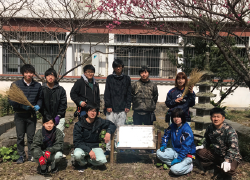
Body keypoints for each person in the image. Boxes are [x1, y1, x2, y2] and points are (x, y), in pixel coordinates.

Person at [8, 64, 42, 164]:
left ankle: (31, 155)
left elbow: (40, 98)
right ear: (23, 73)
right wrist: (21, 106)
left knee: (31, 137)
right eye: (26, 72)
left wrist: (38, 105)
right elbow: (11, 100)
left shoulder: (37, 85)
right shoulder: (16, 85)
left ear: (33, 74)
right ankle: (21, 156)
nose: (29, 74)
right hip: (19, 115)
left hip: (31, 115)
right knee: (20, 137)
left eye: (31, 72)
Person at [196, 108, 242, 179]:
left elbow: (234, 148)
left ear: (223, 118)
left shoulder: (229, 130)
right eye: (214, 116)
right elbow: (207, 139)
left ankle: (223, 171)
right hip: (217, 154)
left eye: (218, 117)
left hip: (231, 156)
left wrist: (227, 160)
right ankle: (216, 165)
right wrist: (203, 145)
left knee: (229, 169)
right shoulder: (210, 128)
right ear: (211, 118)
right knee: (199, 152)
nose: (216, 119)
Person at [72, 103, 116, 170]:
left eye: (94, 111)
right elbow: (77, 141)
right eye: (90, 111)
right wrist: (89, 151)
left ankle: (89, 160)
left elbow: (112, 125)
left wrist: (108, 132)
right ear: (86, 112)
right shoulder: (79, 124)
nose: (93, 113)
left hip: (94, 146)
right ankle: (82, 163)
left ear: (97, 112)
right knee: (77, 155)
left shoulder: (99, 121)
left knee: (102, 160)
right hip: (82, 146)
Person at [157, 108, 196, 176]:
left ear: (182, 117)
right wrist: (164, 144)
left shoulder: (186, 130)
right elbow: (166, 135)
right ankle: (176, 164)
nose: (176, 119)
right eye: (174, 117)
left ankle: (189, 167)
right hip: (176, 151)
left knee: (175, 170)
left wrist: (180, 158)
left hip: (186, 155)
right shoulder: (173, 126)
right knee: (158, 153)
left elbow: (186, 147)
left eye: (178, 116)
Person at [104, 59, 132, 153]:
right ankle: (108, 148)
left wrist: (128, 105)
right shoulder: (110, 78)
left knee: (121, 129)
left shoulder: (127, 79)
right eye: (116, 66)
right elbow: (107, 93)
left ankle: (119, 147)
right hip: (111, 108)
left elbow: (129, 93)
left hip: (122, 108)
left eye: (120, 66)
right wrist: (108, 105)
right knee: (110, 128)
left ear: (122, 67)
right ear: (114, 68)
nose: (118, 68)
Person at [41, 68, 67, 134]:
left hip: (59, 117)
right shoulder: (42, 89)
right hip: (47, 118)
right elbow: (41, 104)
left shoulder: (61, 90)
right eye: (48, 75)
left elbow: (63, 104)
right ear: (45, 77)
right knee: (47, 136)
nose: (50, 77)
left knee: (59, 135)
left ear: (55, 77)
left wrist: (59, 115)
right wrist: (46, 116)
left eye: (52, 75)